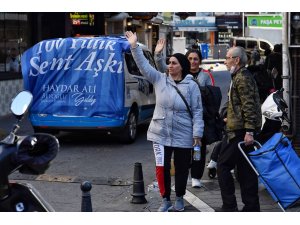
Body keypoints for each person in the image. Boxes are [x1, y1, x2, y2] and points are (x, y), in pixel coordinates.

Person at [125, 31, 204, 212]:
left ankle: (180, 197)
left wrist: (197, 134)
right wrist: (134, 46)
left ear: (182, 66)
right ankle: (166, 199)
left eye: (174, 63)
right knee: (162, 166)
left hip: (184, 133)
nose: (169, 66)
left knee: (183, 168)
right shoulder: (160, 79)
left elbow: (198, 111)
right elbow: (143, 66)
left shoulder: (192, 86)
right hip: (160, 132)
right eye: (168, 63)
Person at [154, 39, 214, 188]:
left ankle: (196, 176)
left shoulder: (205, 76)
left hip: (200, 117)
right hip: (179, 124)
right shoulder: (173, 75)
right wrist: (158, 55)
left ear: (200, 61)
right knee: (182, 157)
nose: (193, 62)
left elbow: (211, 96)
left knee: (198, 149)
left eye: (196, 59)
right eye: (190, 59)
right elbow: (163, 68)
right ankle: (180, 181)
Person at [215, 46, 262, 212]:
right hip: (240, 128)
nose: (225, 61)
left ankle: (229, 206)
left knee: (223, 166)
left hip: (240, 132)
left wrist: (249, 131)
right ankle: (251, 207)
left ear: (236, 60)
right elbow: (238, 104)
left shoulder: (242, 78)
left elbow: (249, 105)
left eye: (228, 58)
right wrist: (229, 115)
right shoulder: (238, 76)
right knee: (245, 170)